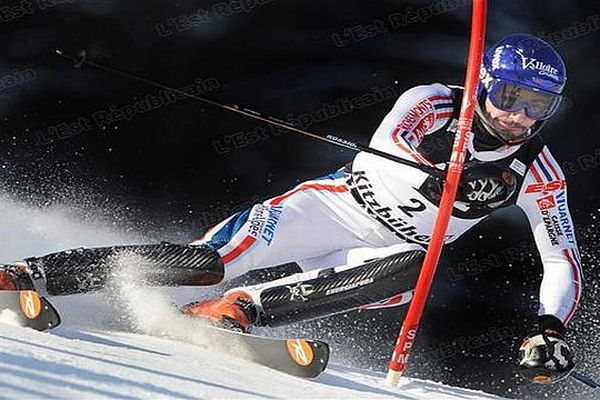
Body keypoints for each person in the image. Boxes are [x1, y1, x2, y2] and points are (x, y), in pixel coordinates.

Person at [0, 34, 581, 384]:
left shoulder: (535, 168)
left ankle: (238, 312)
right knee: (207, 260)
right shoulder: (432, 103)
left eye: (538, 106)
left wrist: (550, 327)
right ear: (485, 84)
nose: (519, 117)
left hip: (388, 250)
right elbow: (399, 141)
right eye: (510, 97)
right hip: (334, 206)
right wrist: (447, 174)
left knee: (421, 267)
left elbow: (561, 259)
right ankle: (35, 272)